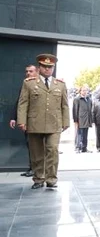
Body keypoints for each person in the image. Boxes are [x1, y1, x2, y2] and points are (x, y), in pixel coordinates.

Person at [16, 54, 69, 189]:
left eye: (50, 67)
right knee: (37, 152)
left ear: (53, 68)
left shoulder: (60, 85)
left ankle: (51, 179)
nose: (47, 69)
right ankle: (39, 178)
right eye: (45, 67)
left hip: (54, 123)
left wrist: (66, 121)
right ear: (39, 68)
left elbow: (64, 105)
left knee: (53, 150)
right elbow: (23, 103)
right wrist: (22, 121)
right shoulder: (29, 83)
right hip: (35, 123)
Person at [9, 64, 37, 177]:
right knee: (30, 145)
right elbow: (20, 102)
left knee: (40, 147)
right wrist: (14, 117)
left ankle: (40, 170)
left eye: (31, 71)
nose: (28, 73)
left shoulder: (42, 84)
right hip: (28, 121)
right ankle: (32, 168)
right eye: (27, 71)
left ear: (37, 72)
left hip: (39, 121)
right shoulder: (26, 84)